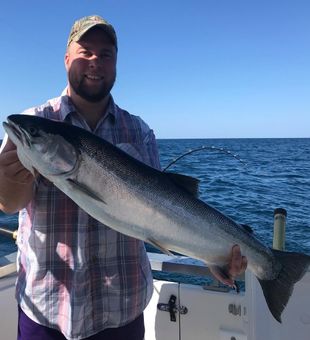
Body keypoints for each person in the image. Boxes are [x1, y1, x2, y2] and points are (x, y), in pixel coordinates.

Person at [0, 15, 247, 340]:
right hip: (46, 310)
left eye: (105, 54)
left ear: (115, 64)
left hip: (123, 309)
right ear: (66, 58)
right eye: (85, 51)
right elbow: (9, 203)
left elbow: (165, 214)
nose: (95, 61)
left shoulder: (140, 131)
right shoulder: (35, 122)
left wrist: (216, 256)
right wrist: (7, 176)